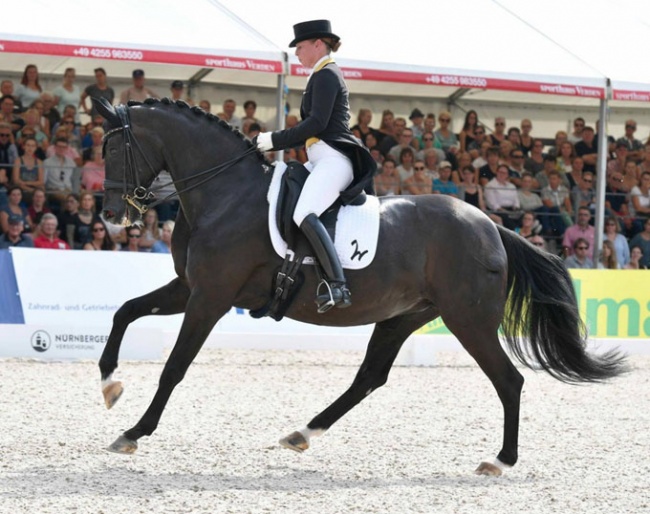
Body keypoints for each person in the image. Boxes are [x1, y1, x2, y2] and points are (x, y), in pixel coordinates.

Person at [255, 20, 375, 312]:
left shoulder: (327, 74)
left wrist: (273, 140)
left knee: (304, 212)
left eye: (300, 46)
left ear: (318, 44)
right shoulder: (320, 75)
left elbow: (316, 124)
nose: (296, 52)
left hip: (334, 158)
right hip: (318, 159)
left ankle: (337, 285)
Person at [484, 164, 521, 229]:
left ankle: (521, 233)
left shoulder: (512, 186)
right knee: (507, 219)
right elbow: (492, 203)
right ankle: (516, 234)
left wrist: (516, 208)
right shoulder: (490, 185)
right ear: (496, 172)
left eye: (504, 173)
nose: (502, 174)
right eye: (500, 172)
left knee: (523, 216)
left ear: (507, 175)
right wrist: (504, 211)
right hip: (497, 210)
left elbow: (516, 200)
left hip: (511, 209)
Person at [43, 138, 77, 206]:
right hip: (54, 190)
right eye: (59, 147)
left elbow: (75, 180)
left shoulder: (71, 162)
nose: (62, 149)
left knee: (86, 195)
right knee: (67, 199)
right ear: (55, 148)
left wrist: (75, 191)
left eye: (64, 147)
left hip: (69, 190)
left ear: (67, 148)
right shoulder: (47, 162)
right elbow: (43, 181)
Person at [12, 137, 44, 201]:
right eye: (28, 145)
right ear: (23, 146)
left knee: (41, 194)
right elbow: (16, 180)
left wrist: (27, 183)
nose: (30, 148)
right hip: (21, 188)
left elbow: (41, 181)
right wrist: (29, 189)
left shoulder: (39, 162)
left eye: (33, 146)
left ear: (36, 148)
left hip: (34, 188)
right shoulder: (18, 161)